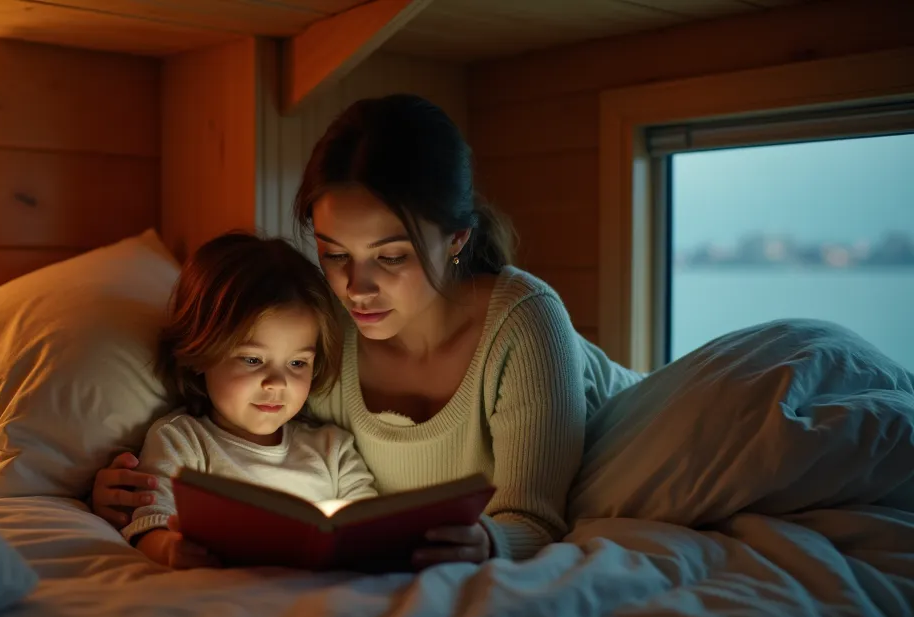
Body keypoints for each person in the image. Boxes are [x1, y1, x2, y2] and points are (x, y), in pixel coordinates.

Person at [93, 94, 641, 567]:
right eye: (334, 254)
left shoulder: (525, 322)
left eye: (391, 256)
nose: (356, 288)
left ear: (455, 239)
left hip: (650, 424)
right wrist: (127, 496)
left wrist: (488, 540)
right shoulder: (322, 328)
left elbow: (534, 518)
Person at [121, 232, 378, 570]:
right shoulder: (182, 442)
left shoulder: (333, 450)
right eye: (253, 360)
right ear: (202, 354)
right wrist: (170, 549)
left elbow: (371, 529)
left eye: (297, 363)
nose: (277, 383)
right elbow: (150, 521)